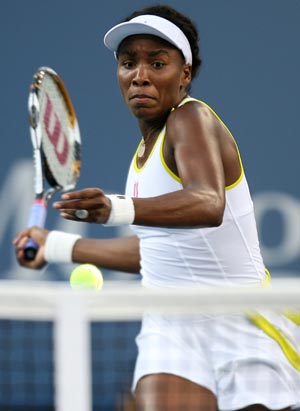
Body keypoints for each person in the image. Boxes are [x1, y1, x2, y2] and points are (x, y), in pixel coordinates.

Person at [14, 4, 300, 411]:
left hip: (240, 321)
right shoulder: (142, 155)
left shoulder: (192, 117)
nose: (140, 75)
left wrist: (116, 209)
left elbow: (208, 203)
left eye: (157, 63)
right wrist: (55, 246)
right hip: (170, 325)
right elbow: (157, 253)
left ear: (184, 75)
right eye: (128, 63)